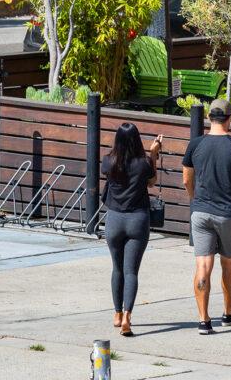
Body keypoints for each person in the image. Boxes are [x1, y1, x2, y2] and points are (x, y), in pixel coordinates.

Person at [182, 99, 231, 335]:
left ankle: (203, 320)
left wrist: (195, 200)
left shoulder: (195, 145)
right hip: (228, 213)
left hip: (200, 212)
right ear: (229, 119)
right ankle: (228, 313)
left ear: (209, 119)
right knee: (229, 264)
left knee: (203, 265)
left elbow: (186, 179)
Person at [102, 122, 162, 337]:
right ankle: (128, 315)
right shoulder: (143, 163)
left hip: (114, 219)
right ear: (137, 140)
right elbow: (152, 182)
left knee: (117, 269)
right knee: (131, 271)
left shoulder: (108, 161)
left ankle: (117, 313)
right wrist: (153, 155)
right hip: (138, 218)